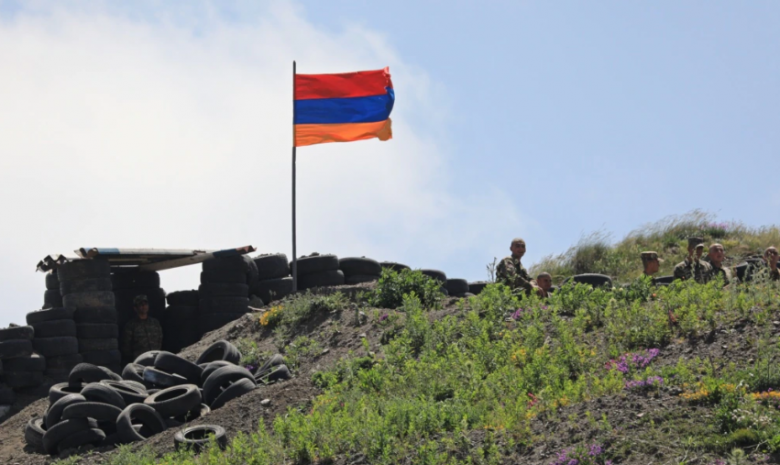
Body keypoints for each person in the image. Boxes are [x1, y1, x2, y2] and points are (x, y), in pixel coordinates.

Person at [121, 295, 163, 361]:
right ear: (135, 308)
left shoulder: (155, 323)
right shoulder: (131, 325)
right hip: (140, 360)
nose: (144, 306)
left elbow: (160, 339)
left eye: (145, 304)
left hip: (155, 358)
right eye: (141, 304)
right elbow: (126, 347)